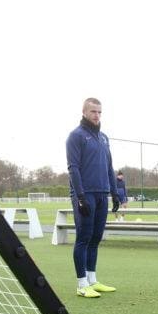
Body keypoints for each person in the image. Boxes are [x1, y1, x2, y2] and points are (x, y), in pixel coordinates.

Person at [66, 97, 120, 298]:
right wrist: (80, 197)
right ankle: (81, 284)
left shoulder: (104, 138)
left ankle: (92, 280)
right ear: (84, 112)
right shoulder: (76, 136)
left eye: (99, 112)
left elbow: (109, 167)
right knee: (84, 238)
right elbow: (73, 168)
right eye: (93, 112)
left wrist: (114, 193)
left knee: (96, 238)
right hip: (85, 194)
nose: (97, 115)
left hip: (102, 194)